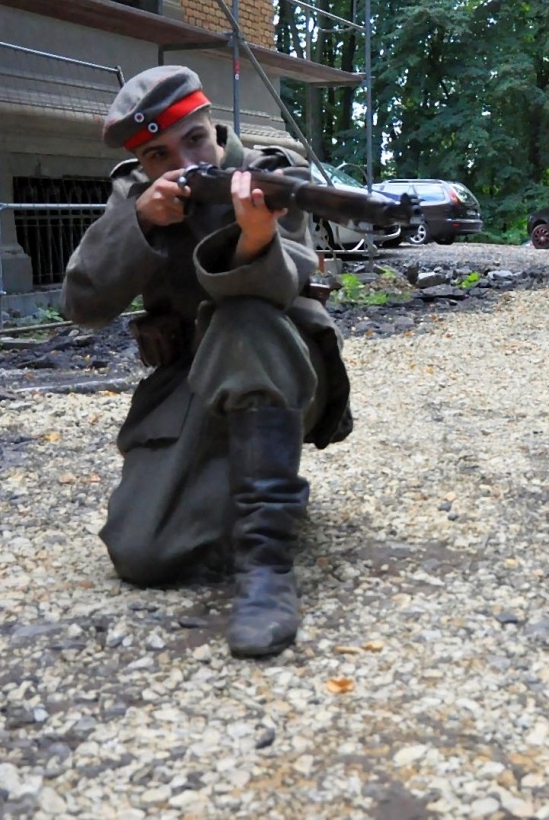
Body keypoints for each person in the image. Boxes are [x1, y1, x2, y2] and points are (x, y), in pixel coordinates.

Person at [61, 65, 352, 659]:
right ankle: (257, 490)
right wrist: (141, 219)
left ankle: (266, 571)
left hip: (281, 368)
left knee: (243, 316)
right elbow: (82, 304)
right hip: (193, 384)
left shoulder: (273, 178)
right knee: (143, 553)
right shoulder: (135, 194)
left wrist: (252, 236)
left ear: (211, 120)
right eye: (157, 154)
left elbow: (280, 289)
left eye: (194, 140)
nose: (183, 161)